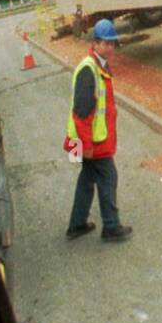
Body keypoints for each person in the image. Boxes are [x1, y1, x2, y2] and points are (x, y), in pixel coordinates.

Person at [64, 18, 132, 242]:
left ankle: (77, 225)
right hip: (92, 141)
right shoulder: (89, 68)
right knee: (108, 176)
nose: (110, 47)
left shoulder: (99, 64)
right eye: (106, 43)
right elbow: (81, 113)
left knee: (87, 179)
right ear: (95, 43)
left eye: (113, 43)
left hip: (91, 139)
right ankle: (111, 227)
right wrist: (88, 146)